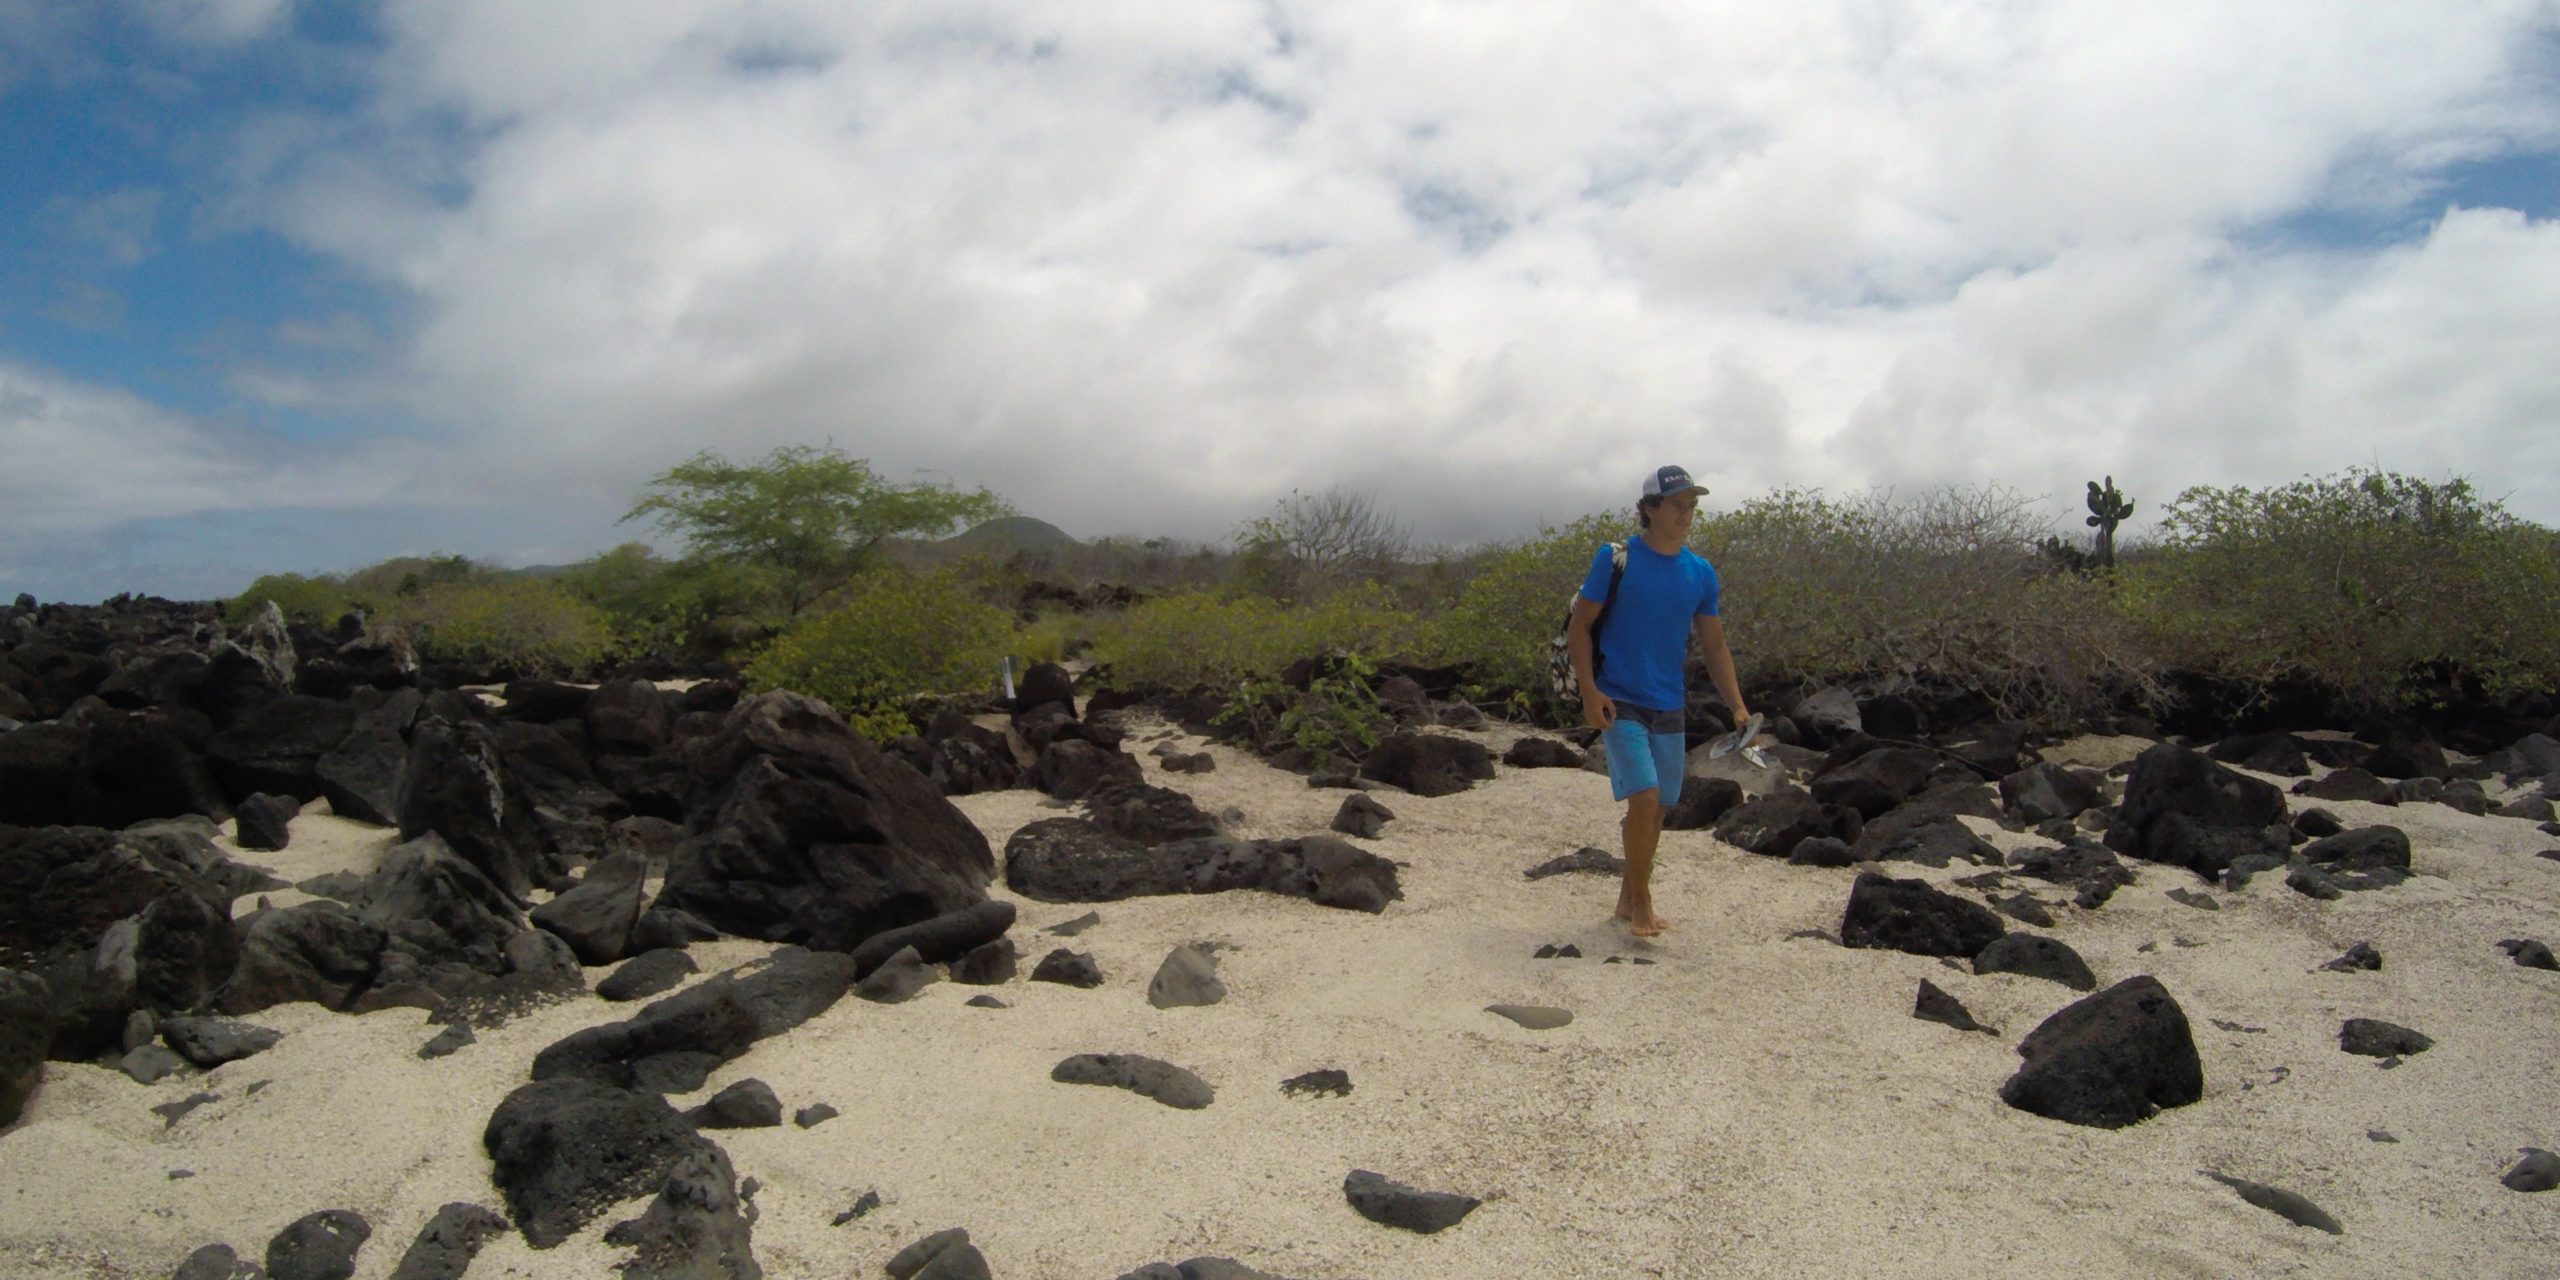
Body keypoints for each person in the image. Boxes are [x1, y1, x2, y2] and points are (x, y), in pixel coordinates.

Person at [1565, 464, 1749, 937]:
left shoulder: (1700, 572)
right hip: (1619, 698)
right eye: (1676, 505)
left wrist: (1737, 705)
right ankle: (1643, 905)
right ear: (1649, 509)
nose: (1686, 514)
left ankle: (1627, 899)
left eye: (1691, 506)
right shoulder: (1615, 558)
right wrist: (1589, 691)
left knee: (1660, 807)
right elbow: (1580, 628)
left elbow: (1715, 647)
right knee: (1644, 798)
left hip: (1668, 702)